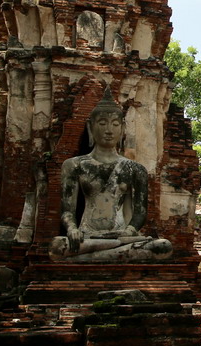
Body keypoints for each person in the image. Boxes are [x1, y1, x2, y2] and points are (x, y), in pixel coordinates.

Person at [49, 91, 172, 262]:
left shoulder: (135, 169)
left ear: (122, 129)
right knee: (57, 246)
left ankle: (91, 257)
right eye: (102, 123)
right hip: (87, 235)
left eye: (115, 124)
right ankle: (106, 254)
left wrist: (128, 232)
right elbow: (67, 211)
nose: (108, 130)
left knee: (162, 247)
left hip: (122, 236)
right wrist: (72, 229)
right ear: (90, 127)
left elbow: (140, 214)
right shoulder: (74, 165)